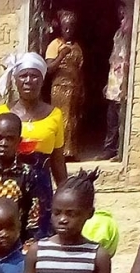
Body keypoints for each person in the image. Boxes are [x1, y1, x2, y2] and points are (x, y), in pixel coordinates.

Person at [0, 52, 68, 237]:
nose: (28, 81)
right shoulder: (1, 114)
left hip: (41, 190)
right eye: (23, 76)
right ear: (15, 80)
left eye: (34, 76)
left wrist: (65, 193)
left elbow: (57, 160)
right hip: (7, 185)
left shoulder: (55, 115)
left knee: (38, 238)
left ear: (42, 80)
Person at [0, 112, 43, 241]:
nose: (3, 143)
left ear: (19, 141)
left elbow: (33, 212)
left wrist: (29, 242)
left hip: (15, 242)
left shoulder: (27, 173)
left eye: (9, 139)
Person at [45, 9, 84, 161]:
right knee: (61, 120)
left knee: (73, 120)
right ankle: (59, 152)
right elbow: (48, 69)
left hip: (74, 87)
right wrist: (61, 55)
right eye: (65, 27)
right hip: (60, 88)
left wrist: (81, 89)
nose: (68, 31)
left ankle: (70, 151)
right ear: (61, 28)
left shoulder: (77, 47)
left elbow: (80, 70)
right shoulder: (55, 45)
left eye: (71, 27)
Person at [102, 3, 132, 161]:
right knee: (111, 118)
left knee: (121, 119)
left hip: (123, 83)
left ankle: (120, 153)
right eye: (119, 10)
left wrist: (125, 84)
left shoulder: (130, 34)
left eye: (123, 10)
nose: (120, 13)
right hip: (114, 83)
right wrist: (109, 83)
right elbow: (114, 60)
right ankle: (109, 149)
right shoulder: (119, 34)